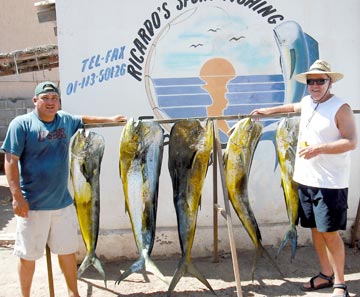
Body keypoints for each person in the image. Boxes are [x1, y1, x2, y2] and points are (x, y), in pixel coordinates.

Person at [1, 81, 126, 297]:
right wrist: (17, 197)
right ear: (35, 101)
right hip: (32, 205)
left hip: (62, 203)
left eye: (54, 99)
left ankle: (73, 293)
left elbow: (84, 119)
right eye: (45, 98)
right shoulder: (21, 124)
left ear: (59, 102)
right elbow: (10, 161)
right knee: (28, 255)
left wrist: (111, 119)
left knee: (67, 251)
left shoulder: (65, 120)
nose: (50, 102)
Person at [251, 60, 357, 297]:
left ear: (330, 82)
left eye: (320, 80)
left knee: (330, 233)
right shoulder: (309, 102)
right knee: (315, 231)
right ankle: (325, 274)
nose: (315, 85)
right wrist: (267, 111)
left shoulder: (341, 108)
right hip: (306, 180)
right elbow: (292, 107)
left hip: (329, 184)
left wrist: (320, 148)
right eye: (311, 81)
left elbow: (351, 141)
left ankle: (341, 284)